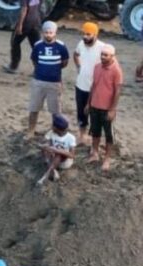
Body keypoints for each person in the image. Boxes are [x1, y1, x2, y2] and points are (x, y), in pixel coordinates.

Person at [26, 21, 69, 138]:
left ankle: (54, 132)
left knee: (55, 110)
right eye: (46, 32)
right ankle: (31, 131)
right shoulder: (37, 45)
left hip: (54, 83)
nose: (48, 35)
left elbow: (64, 62)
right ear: (42, 32)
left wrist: (54, 70)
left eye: (51, 32)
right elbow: (34, 61)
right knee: (34, 108)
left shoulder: (61, 46)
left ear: (55, 33)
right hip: (38, 81)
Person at [86, 43, 122, 173]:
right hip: (95, 105)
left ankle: (107, 158)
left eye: (106, 55)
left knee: (109, 135)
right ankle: (95, 153)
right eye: (102, 54)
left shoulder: (116, 70)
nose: (103, 57)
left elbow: (117, 91)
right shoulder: (97, 67)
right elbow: (93, 86)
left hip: (107, 108)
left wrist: (112, 109)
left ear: (112, 56)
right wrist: (88, 103)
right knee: (95, 131)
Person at [73, 22, 105, 143]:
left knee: (95, 114)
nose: (85, 36)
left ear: (95, 35)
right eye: (84, 34)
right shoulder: (81, 44)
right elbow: (75, 54)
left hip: (96, 87)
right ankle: (82, 135)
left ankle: (95, 139)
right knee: (81, 112)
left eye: (88, 34)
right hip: (81, 85)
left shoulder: (102, 47)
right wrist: (78, 66)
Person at [5, 0, 43, 74]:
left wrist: (20, 25)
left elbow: (24, 9)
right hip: (36, 22)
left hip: (26, 22)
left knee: (15, 43)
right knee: (36, 46)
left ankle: (13, 66)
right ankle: (38, 69)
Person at [37, 114, 76, 185]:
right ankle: (53, 170)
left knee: (59, 154)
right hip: (52, 158)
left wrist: (57, 150)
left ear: (55, 128)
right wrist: (45, 146)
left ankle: (46, 175)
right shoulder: (51, 133)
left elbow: (72, 155)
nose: (51, 127)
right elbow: (40, 143)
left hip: (64, 162)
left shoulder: (70, 138)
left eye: (53, 126)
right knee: (46, 149)